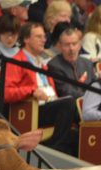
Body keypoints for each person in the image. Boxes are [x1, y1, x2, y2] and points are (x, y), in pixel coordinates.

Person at [4, 21, 79, 154]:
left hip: (49, 103)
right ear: (26, 39)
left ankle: (62, 146)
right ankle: (56, 149)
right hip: (32, 109)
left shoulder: (42, 63)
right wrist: (31, 91)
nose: (43, 40)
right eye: (38, 37)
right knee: (68, 103)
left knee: (76, 114)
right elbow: (7, 93)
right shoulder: (16, 61)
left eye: (44, 37)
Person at [47, 26, 96, 99]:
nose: (71, 48)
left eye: (74, 44)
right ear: (60, 46)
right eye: (67, 45)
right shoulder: (54, 65)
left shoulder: (87, 63)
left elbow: (96, 86)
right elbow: (66, 92)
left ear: (79, 45)